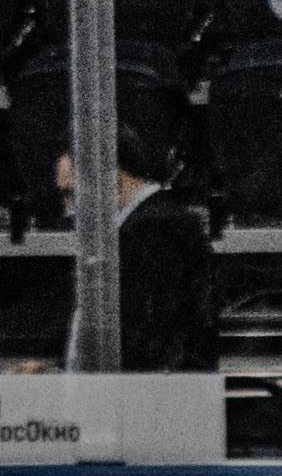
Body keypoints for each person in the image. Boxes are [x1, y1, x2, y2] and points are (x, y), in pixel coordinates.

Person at [12, 127, 218, 371]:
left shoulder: (158, 228)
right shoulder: (138, 226)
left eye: (72, 193)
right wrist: (59, 370)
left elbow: (148, 339)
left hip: (149, 396)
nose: (68, 209)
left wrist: (68, 377)